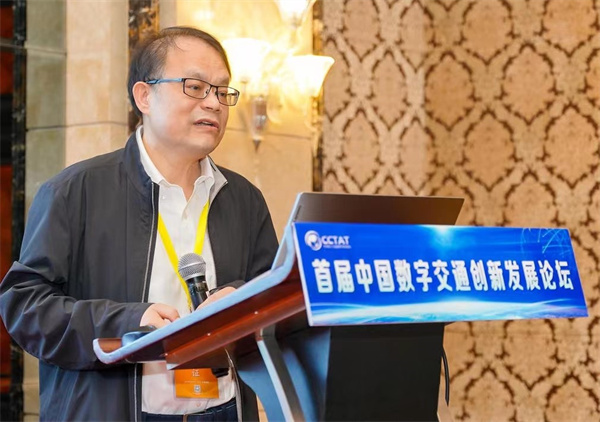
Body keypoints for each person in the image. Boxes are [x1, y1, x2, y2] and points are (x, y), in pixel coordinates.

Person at [0, 26, 278, 421]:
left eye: (222, 91)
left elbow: (275, 298)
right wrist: (130, 322)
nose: (214, 103)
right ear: (144, 96)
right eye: (195, 87)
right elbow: (26, 307)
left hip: (222, 411)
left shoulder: (244, 198)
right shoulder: (75, 191)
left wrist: (240, 299)